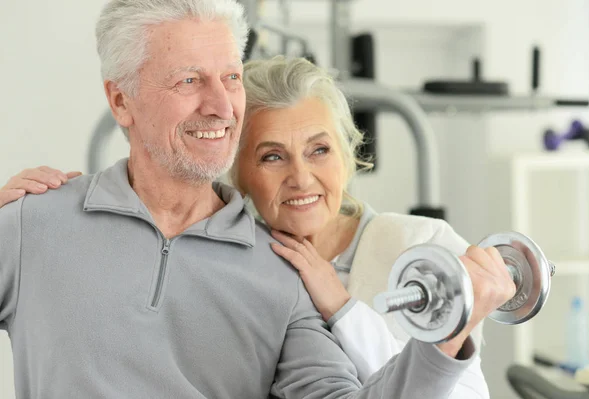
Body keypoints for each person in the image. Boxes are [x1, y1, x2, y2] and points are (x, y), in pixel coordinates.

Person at [0, 1, 515, 398]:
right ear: (120, 100)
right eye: (189, 80)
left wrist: (446, 339)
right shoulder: (32, 223)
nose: (223, 106)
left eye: (230, 77)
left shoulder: (280, 269)